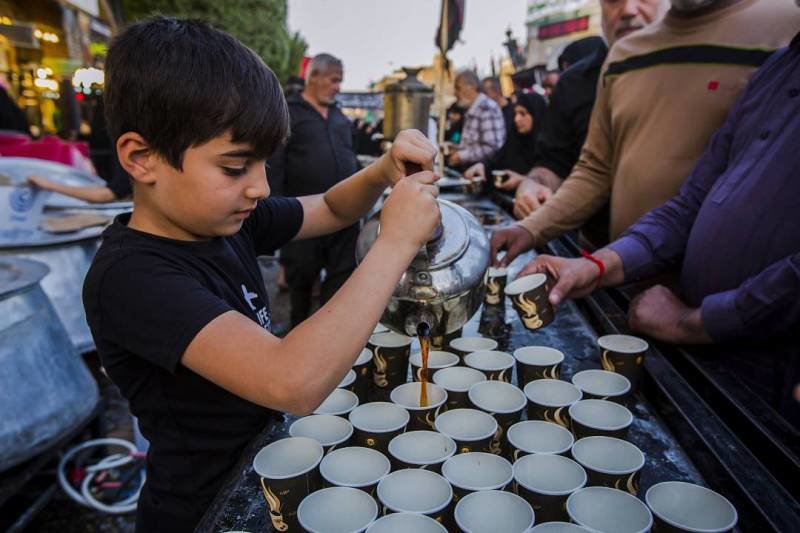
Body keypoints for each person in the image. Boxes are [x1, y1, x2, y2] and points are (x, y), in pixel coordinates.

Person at [83, 17, 440, 531]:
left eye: (264, 165)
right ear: (141, 158)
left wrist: (385, 168)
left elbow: (332, 209)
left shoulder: (225, 222)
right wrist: (396, 242)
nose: (258, 187)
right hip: (203, 509)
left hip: (262, 473)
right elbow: (292, 380)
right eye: (235, 167)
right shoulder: (132, 277)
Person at [516, 26, 800, 427]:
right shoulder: (779, 67)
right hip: (703, 357)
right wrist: (597, 267)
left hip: (774, 377)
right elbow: (688, 205)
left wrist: (696, 321)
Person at [492, 0, 800, 265]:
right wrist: (530, 228)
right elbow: (596, 168)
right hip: (623, 277)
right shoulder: (624, 54)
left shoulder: (786, 29)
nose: (627, 9)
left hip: (732, 302)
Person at [513, 0, 664, 228]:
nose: (629, 9)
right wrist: (533, 184)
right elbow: (559, 164)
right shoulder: (575, 84)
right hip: (587, 250)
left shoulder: (706, 67)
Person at [267, 53, 361, 327]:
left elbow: (349, 154)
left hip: (344, 216)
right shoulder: (290, 112)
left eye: (340, 81)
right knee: (302, 280)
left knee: (340, 279)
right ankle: (297, 330)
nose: (337, 87)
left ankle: (329, 333)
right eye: (334, 80)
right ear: (314, 77)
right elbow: (275, 165)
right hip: (304, 214)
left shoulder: (339, 115)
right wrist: (276, 212)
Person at [463, 92, 547, 190]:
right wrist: (482, 166)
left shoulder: (547, 149)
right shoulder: (514, 141)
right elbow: (497, 162)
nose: (517, 119)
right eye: (515, 114)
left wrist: (524, 180)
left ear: (536, 114)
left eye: (522, 113)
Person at [445, 69, 506, 170]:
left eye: (458, 88)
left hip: (481, 174)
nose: (456, 93)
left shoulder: (486, 108)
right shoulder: (473, 108)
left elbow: (492, 147)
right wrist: (456, 149)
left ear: (472, 86)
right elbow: (472, 143)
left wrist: (461, 155)